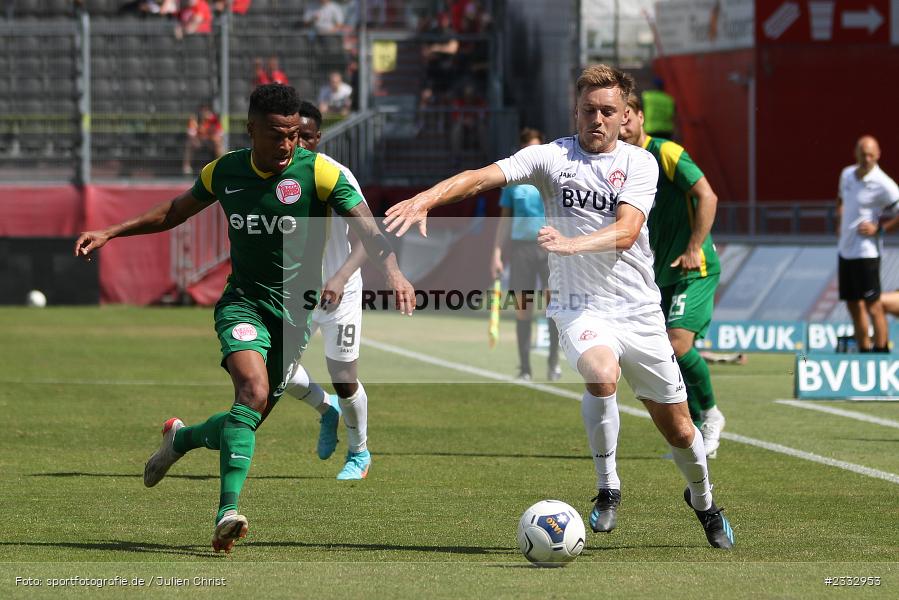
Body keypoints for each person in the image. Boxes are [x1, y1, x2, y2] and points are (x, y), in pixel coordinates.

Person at [383, 64, 734, 549]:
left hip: (638, 311)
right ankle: (608, 487)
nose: (597, 118)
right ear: (576, 110)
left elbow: (628, 231)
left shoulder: (641, 163)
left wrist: (572, 245)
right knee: (600, 371)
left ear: (625, 115)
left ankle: (704, 500)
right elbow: (483, 176)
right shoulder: (551, 157)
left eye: (608, 111)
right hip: (579, 306)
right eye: (588, 109)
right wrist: (427, 197)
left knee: (679, 430)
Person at [74, 84, 415, 554]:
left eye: (295, 135)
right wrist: (112, 230)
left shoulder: (319, 173)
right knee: (251, 392)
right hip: (244, 304)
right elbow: (176, 211)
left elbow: (369, 230)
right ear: (251, 129)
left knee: (246, 418)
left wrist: (395, 273)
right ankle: (226, 513)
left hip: (296, 314)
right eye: (277, 134)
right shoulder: (225, 171)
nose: (287, 145)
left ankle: (182, 438)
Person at [619, 92, 726, 458]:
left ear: (641, 117)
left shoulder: (666, 152)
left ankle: (711, 416)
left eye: (628, 114)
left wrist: (695, 246)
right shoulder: (618, 163)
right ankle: (694, 431)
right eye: (618, 115)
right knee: (664, 354)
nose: (623, 122)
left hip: (694, 267)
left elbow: (707, 196)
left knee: (677, 344)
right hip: (657, 274)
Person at [288, 100, 373, 479]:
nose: (300, 144)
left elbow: (369, 239)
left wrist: (338, 278)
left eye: (307, 137)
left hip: (342, 291)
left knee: (344, 377)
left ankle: (359, 453)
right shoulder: (277, 179)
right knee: (279, 373)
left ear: (318, 138)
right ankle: (327, 410)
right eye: (294, 137)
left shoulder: (337, 176)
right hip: (295, 293)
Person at [490, 127, 560, 381]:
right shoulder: (513, 182)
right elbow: (504, 222)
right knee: (523, 309)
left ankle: (553, 363)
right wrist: (496, 254)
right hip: (521, 250)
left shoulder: (552, 177)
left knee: (553, 308)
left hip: (549, 248)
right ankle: (525, 368)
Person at [836, 135, 899, 352]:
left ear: (878, 155)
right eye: (863, 154)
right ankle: (864, 351)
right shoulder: (846, 175)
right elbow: (841, 200)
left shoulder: (883, 183)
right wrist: (841, 220)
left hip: (867, 253)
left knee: (874, 305)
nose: (867, 159)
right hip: (846, 250)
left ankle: (881, 350)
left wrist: (880, 229)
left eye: (871, 155)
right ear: (856, 154)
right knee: (853, 304)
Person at [182, 104, 225, 175]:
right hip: (199, 141)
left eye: (206, 110)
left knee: (218, 143)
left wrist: (214, 137)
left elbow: (220, 133)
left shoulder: (213, 120)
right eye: (202, 110)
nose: (204, 112)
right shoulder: (194, 119)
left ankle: (221, 166)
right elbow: (190, 133)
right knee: (189, 143)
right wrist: (196, 139)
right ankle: (187, 167)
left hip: (210, 141)